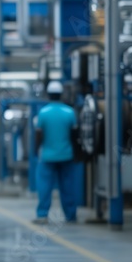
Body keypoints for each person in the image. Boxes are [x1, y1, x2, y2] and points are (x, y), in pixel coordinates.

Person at [33, 81, 79, 224]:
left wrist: (37, 150)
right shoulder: (70, 112)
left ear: (48, 94)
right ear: (61, 94)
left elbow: (39, 135)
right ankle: (71, 215)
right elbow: (74, 136)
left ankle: (42, 215)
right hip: (66, 154)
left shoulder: (43, 113)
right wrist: (76, 152)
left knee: (45, 186)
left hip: (48, 155)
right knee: (67, 186)